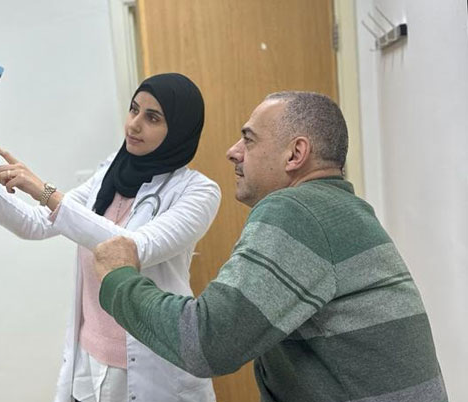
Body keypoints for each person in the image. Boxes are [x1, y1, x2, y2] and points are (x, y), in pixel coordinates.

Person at [93, 91, 447, 402]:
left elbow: (208, 342)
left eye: (248, 140)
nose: (233, 152)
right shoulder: (342, 209)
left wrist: (119, 277)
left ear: (295, 154)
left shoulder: (296, 210)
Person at [0, 73, 220, 402]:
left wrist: (44, 191)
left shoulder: (198, 192)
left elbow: (130, 248)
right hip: (91, 366)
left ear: (179, 130)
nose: (134, 124)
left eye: (152, 118)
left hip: (156, 370)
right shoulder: (110, 173)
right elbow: (37, 224)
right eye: (134, 109)